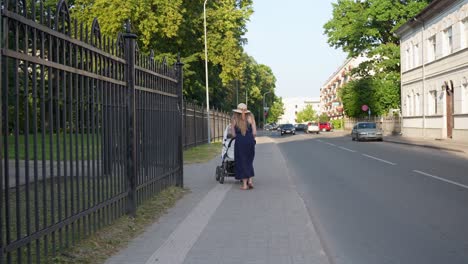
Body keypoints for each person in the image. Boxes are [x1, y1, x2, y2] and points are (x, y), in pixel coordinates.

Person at [231, 103, 257, 190]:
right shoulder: (251, 118)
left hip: (240, 141)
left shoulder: (234, 118)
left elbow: (233, 134)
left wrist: (237, 134)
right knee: (249, 161)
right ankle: (250, 181)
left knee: (242, 161)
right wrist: (251, 138)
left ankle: (245, 185)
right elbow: (254, 133)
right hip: (249, 140)